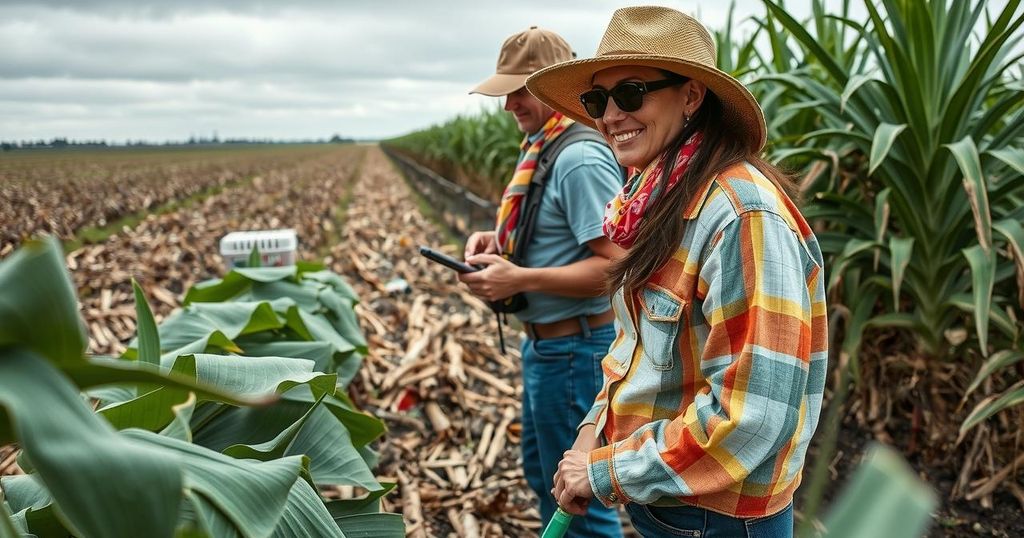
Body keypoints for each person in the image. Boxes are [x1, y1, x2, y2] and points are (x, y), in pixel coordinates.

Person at [525, 6, 828, 537]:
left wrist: (604, 471)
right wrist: (590, 434)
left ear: (691, 96)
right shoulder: (655, 200)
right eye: (598, 100)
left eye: (632, 93)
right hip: (669, 504)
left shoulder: (742, 217)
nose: (611, 116)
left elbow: (751, 418)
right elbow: (635, 351)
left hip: (718, 518)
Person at [459, 26, 625, 537]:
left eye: (519, 89)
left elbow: (618, 267)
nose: (508, 104)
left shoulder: (576, 158)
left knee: (579, 503)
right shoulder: (544, 148)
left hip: (575, 349)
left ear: (554, 90)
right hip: (551, 350)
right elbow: (560, 231)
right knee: (545, 478)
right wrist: (500, 241)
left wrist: (520, 275)